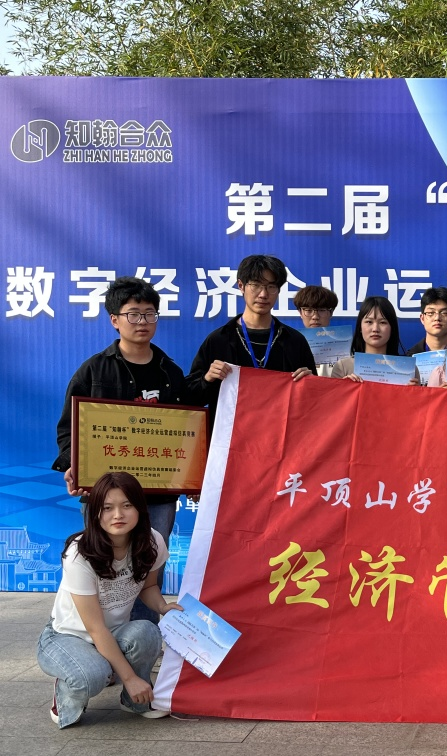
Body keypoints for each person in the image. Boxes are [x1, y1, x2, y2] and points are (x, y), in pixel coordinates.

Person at [53, 276, 188, 624]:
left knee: (148, 563)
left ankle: (142, 636)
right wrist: (73, 465)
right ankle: (99, 638)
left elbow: (187, 432)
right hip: (104, 493)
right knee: (102, 561)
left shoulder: (171, 373)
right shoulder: (93, 370)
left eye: (150, 314)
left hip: (157, 494)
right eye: (133, 314)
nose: (143, 322)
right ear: (115, 319)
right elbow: (69, 428)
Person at [37, 472, 182, 728]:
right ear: (95, 512)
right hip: (67, 636)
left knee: (147, 632)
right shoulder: (80, 553)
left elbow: (148, 585)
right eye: (107, 508)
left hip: (114, 631)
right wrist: (129, 677)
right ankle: (68, 685)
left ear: (140, 508)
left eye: (127, 505)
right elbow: (95, 627)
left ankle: (135, 701)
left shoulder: (152, 541)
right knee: (93, 675)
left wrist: (163, 606)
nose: (118, 515)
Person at [187, 255, 316, 434]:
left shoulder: (294, 341)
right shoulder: (219, 340)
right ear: (241, 286)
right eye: (256, 285)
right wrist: (207, 379)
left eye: (271, 287)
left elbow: (313, 405)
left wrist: (311, 384)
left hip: (281, 440)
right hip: (231, 441)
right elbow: (190, 399)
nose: (263, 294)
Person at [332, 295, 417, 382]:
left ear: (392, 328)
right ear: (360, 327)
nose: (375, 329)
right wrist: (344, 386)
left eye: (382, 322)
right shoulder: (343, 367)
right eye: (369, 322)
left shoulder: (409, 369)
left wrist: (414, 389)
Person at [292, 285, 340, 377]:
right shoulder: (290, 345)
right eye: (308, 310)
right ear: (300, 312)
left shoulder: (347, 347)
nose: (315, 317)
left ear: (331, 313)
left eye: (322, 310)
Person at [406, 287, 447, 355]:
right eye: (431, 313)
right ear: (422, 319)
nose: (437, 318)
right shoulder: (411, 357)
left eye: (444, 313)